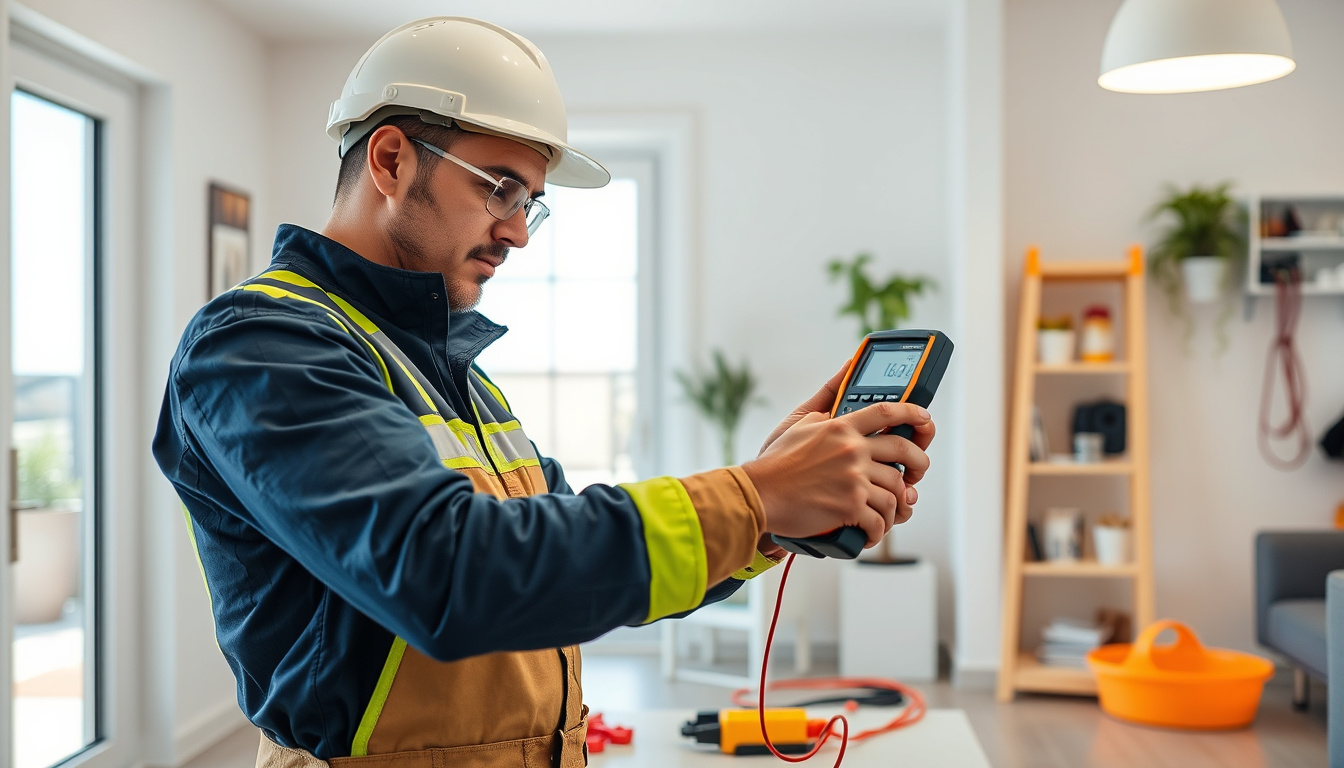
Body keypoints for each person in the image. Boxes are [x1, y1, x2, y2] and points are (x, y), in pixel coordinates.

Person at [152, 16, 935, 768]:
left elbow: (559, 564)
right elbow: (448, 575)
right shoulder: (261, 346)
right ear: (390, 159)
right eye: (499, 188)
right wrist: (754, 496)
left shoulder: (455, 377)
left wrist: (776, 519)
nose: (519, 231)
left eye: (530, 201)